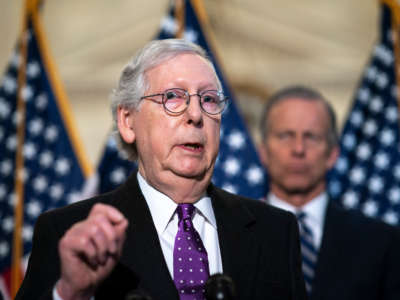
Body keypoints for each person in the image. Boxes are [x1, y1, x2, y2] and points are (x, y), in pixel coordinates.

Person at [15, 39, 307, 300]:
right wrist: (70, 293)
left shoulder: (276, 232)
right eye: (173, 97)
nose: (195, 115)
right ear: (128, 121)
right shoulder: (67, 232)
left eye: (208, 99)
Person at [258, 85, 400, 300]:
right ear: (263, 152)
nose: (298, 149)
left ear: (333, 154)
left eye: (312, 137)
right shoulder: (229, 235)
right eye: (285, 135)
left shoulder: (382, 243)